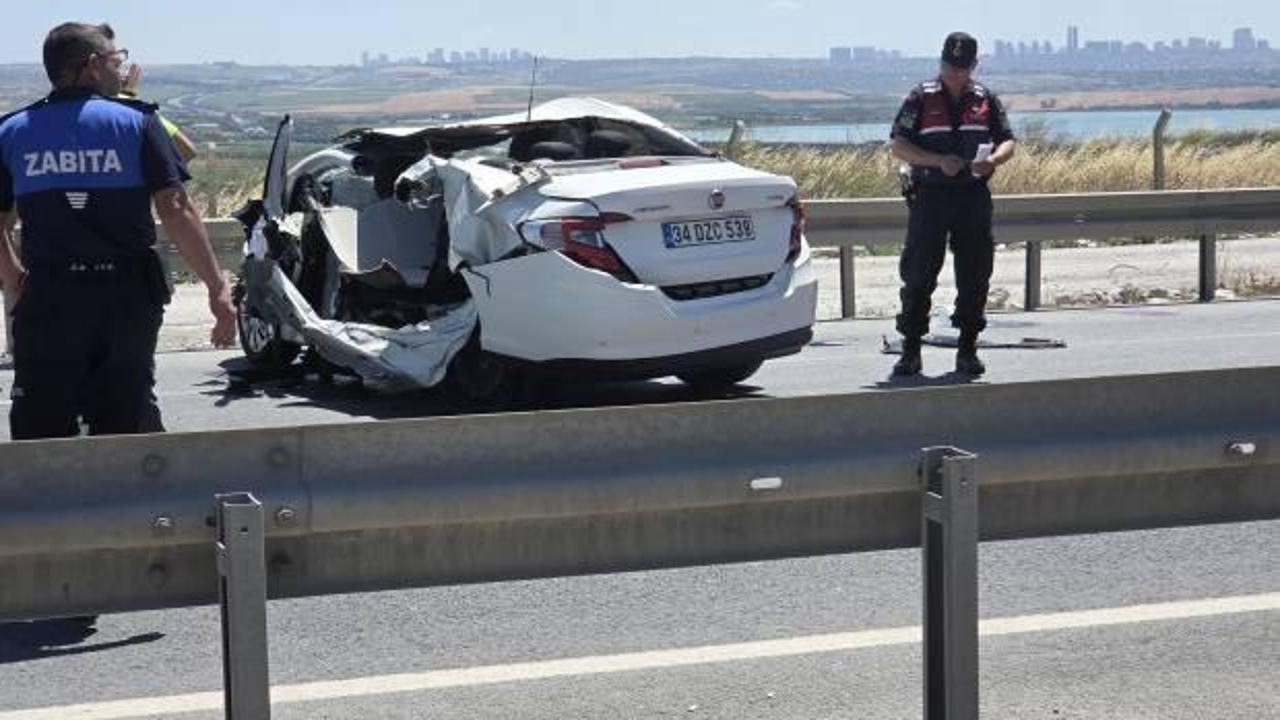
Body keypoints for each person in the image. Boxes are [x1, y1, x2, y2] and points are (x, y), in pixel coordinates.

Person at [0, 21, 235, 449]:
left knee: (42, 424)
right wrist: (218, 288)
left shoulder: (12, 130)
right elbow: (177, 209)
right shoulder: (137, 123)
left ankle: (49, 512)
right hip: (125, 295)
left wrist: (14, 277)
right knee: (124, 420)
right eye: (115, 60)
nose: (119, 69)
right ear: (92, 67)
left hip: (49, 295)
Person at [888, 32, 1017, 377]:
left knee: (975, 274)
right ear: (940, 61)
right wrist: (934, 161)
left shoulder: (985, 98)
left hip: (972, 197)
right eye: (948, 65)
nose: (954, 73)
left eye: (961, 67)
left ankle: (967, 350)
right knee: (918, 273)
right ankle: (910, 350)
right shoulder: (921, 96)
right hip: (931, 196)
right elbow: (899, 145)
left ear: (973, 65)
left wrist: (995, 161)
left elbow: (1007, 141)